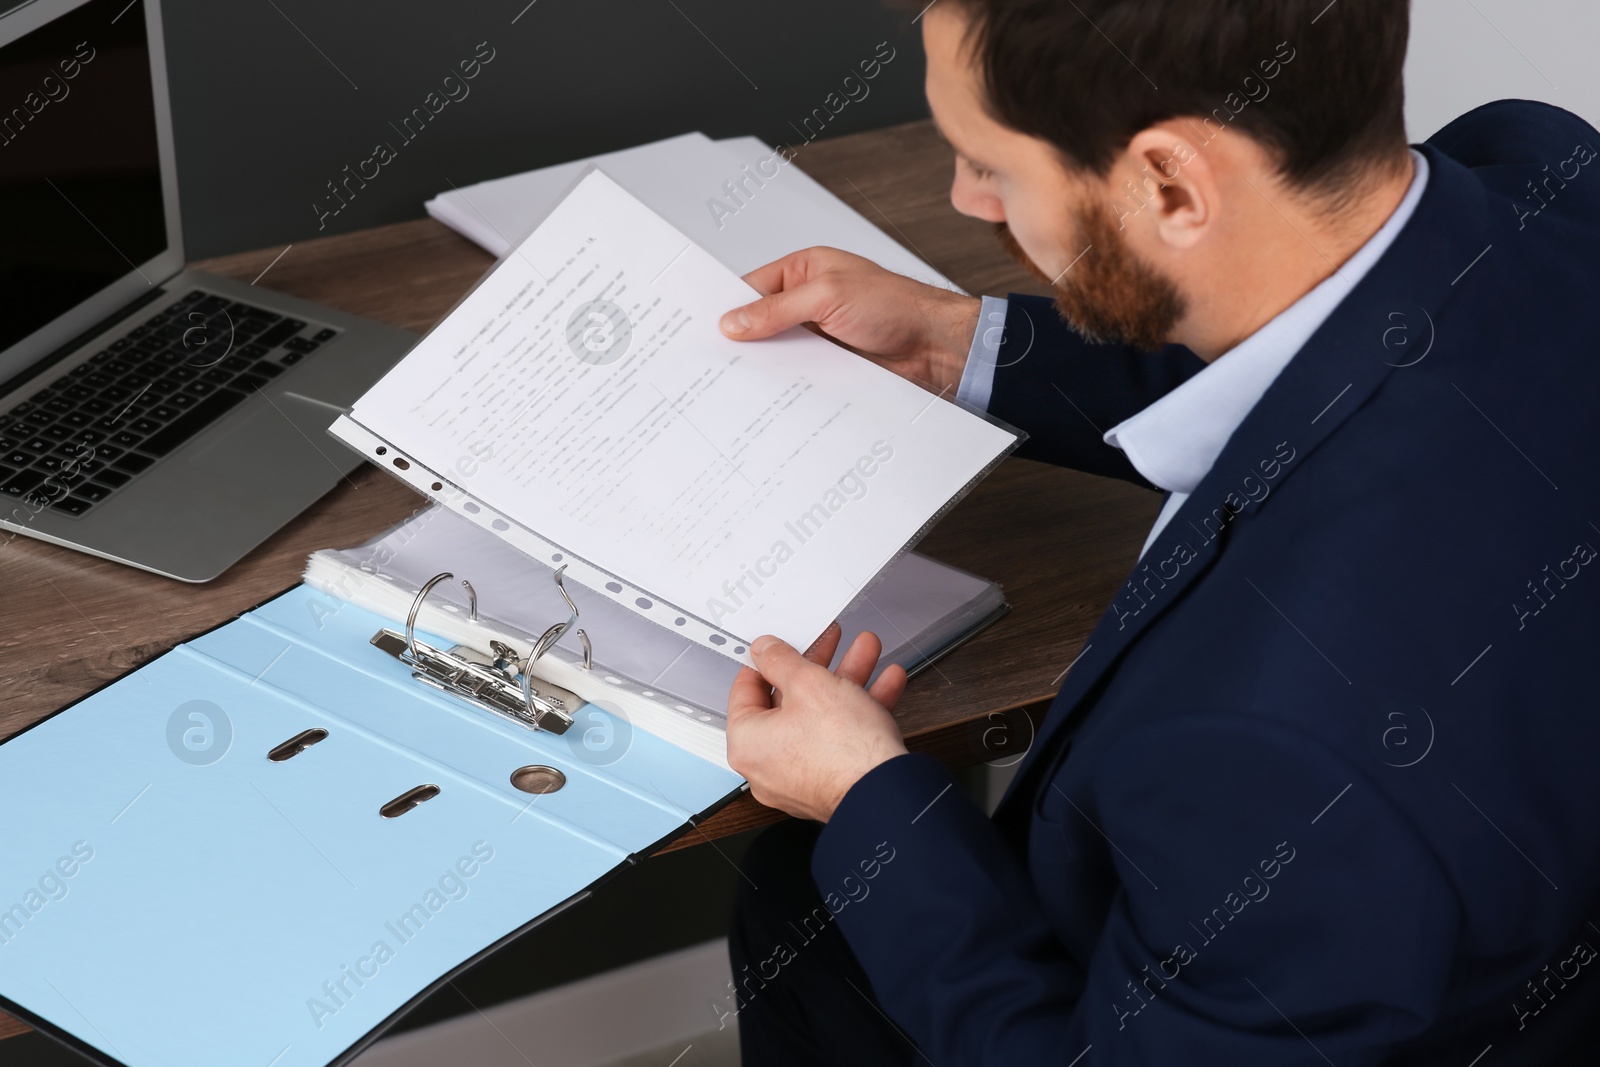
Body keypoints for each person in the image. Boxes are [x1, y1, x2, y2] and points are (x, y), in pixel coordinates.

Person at [713, 0, 1600, 1063]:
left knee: (801, 895)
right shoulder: (1541, 172)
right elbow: (1302, 327)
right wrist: (957, 342)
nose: (966, 198)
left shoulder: (1268, 751)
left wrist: (862, 794)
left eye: (987, 161)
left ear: (1172, 182)